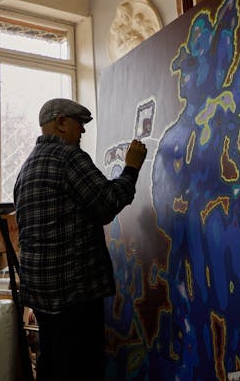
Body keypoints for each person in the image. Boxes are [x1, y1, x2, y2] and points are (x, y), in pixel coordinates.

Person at [14, 98, 147, 381]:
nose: (83, 133)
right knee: (82, 368)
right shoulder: (68, 158)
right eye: (79, 124)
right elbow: (107, 203)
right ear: (61, 122)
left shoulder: (25, 169)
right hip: (73, 294)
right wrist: (132, 168)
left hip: (42, 293)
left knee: (52, 363)